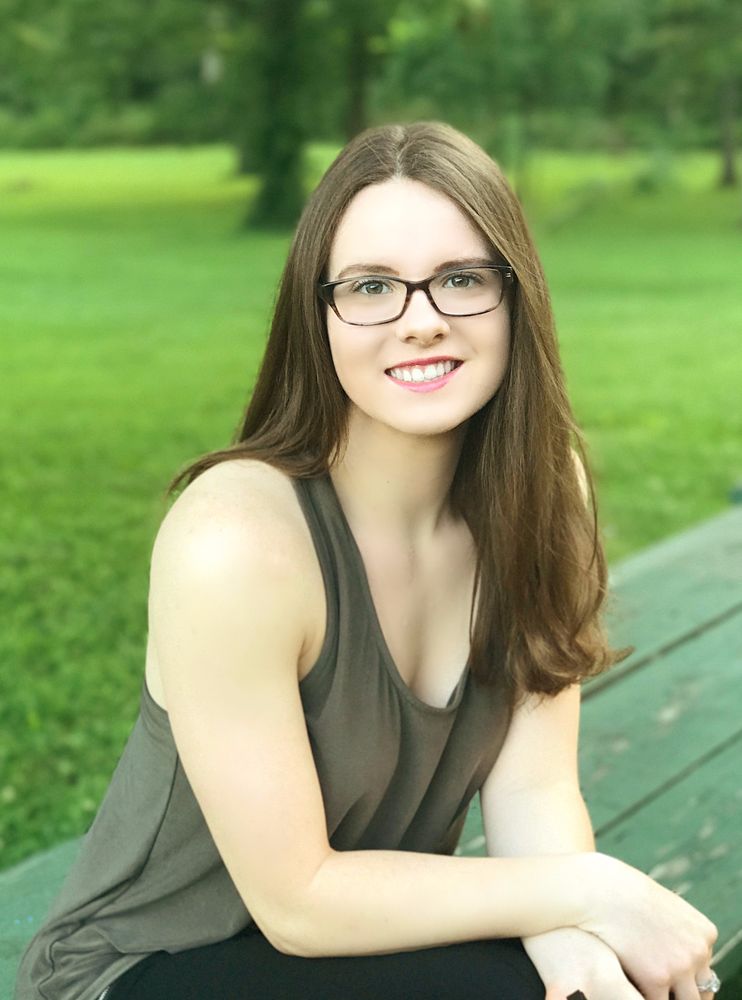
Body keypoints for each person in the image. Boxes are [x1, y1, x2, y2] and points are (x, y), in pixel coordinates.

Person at [15, 121, 720, 1000]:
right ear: (317, 317)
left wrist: (576, 943)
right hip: (147, 966)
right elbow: (298, 903)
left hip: (367, 948)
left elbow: (535, 794)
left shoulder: (543, 500)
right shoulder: (236, 542)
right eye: (372, 286)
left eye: (461, 279)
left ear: (516, 297)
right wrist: (592, 892)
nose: (421, 322)